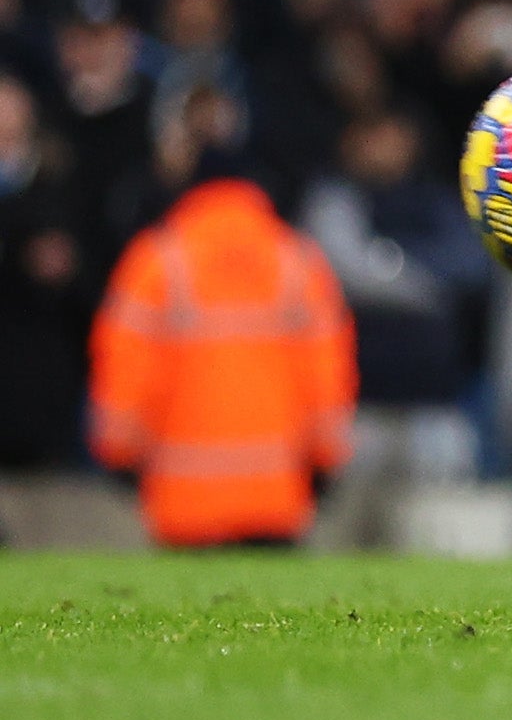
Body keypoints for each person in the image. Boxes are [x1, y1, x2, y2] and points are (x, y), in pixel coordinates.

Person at [85, 150, 356, 546]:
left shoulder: (157, 261)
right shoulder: (297, 261)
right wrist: (327, 459)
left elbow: (125, 369)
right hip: (275, 497)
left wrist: (119, 454)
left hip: (182, 500)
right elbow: (326, 373)